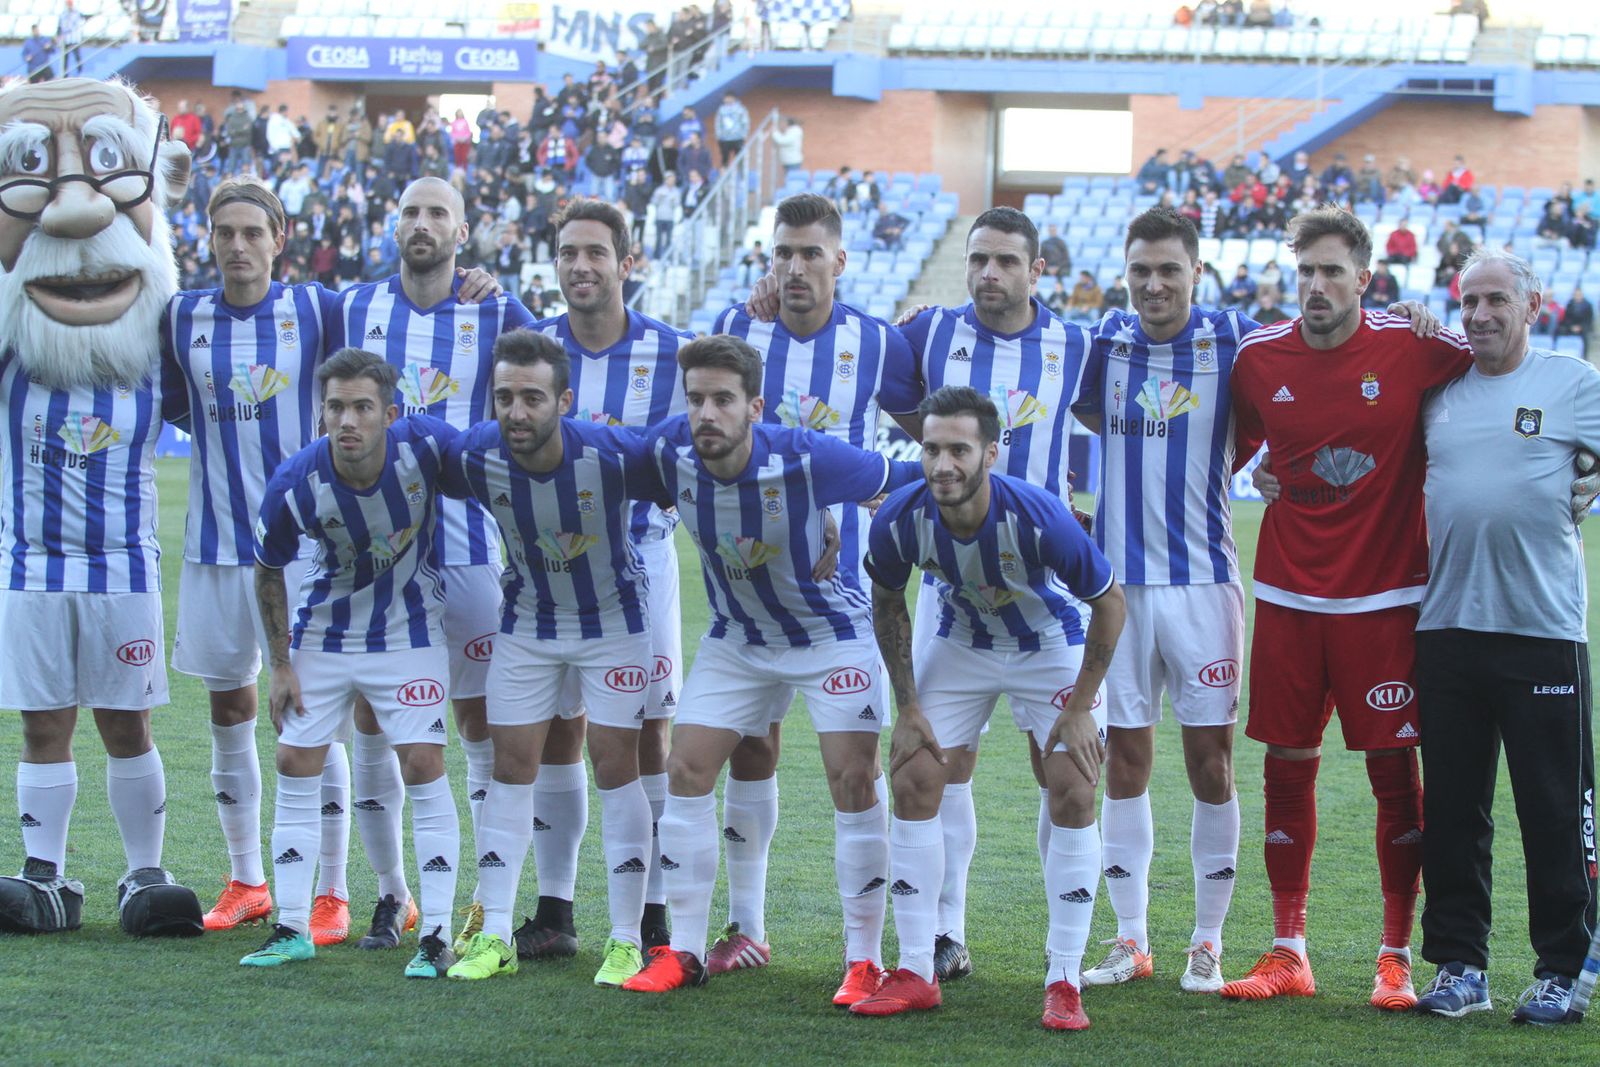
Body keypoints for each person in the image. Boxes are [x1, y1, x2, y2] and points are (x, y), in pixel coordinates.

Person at [620, 335, 923, 1000]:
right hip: (738, 637)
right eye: (696, 397)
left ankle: (864, 958)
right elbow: (594, 468)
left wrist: (848, 517)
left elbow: (908, 479)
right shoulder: (668, 450)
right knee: (686, 768)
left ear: (754, 406)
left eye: (723, 399)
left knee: (853, 776)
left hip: (829, 632)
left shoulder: (808, 457)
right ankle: (688, 951)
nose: (707, 413)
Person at [1224, 206, 1474, 1009]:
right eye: (1305, 272)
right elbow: (1238, 445)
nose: (1316, 287)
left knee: (1394, 776)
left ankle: (1394, 954)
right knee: (1285, 763)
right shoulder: (1259, 358)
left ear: (1366, 279)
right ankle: (1287, 947)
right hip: (1289, 596)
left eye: (1333, 271)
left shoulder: (1415, 344)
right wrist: (1260, 472)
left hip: (1388, 598)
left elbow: (1500, 369)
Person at [0, 77, 202, 939]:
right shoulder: (11, 350)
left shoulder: (161, 348)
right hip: (29, 563)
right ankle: (44, 875)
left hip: (123, 563)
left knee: (128, 720)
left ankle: (142, 874)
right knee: (44, 722)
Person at [855, 385, 1125, 1028]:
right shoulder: (899, 516)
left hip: (1048, 645)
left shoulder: (1039, 516)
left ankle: (1064, 978)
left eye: (959, 449)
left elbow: (1110, 604)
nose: (943, 464)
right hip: (960, 642)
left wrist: (1082, 705)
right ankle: (917, 968)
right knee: (915, 774)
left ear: (991, 454)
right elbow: (889, 603)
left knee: (1073, 786)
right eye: (931, 449)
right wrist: (909, 705)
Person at [709, 193, 922, 977]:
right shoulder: (738, 328)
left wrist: (851, 502)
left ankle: (868, 949)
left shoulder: (878, 342)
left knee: (855, 770)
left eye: (810, 253)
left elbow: (925, 428)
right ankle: (746, 925)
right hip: (752, 594)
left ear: (841, 259)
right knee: (749, 749)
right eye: (783, 253)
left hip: (848, 597)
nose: (795, 267)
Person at [332, 177, 534, 954]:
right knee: (374, 722)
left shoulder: (496, 309)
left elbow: (542, 383)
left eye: (437, 213)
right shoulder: (353, 308)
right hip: (378, 561)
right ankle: (392, 896)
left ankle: (486, 898)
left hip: (473, 548)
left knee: (479, 722)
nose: (422, 223)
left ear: (463, 230)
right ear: (394, 222)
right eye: (410, 210)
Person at [437, 329, 669, 987]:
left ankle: (625, 941)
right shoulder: (478, 455)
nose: (517, 411)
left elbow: (700, 467)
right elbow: (409, 451)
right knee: (511, 768)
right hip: (529, 625)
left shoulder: (614, 456)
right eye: (504, 396)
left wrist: (818, 513)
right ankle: (497, 933)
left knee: (616, 763)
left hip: (614, 625)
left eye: (532, 397)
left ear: (564, 399)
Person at [160, 179, 351, 941]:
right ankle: (247, 880)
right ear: (207, 239)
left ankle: (334, 891)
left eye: (251, 232)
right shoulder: (183, 317)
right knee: (228, 712)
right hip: (213, 548)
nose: (237, 246)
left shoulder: (316, 310)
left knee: (311, 715)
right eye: (223, 232)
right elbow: (178, 404)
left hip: (302, 550)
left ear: (279, 236)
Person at [1412, 248, 1599, 1025]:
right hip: (1447, 628)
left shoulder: (1574, 382)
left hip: (1541, 631)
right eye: (1467, 303)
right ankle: (1462, 966)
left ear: (1533, 304)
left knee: (1554, 808)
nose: (1480, 315)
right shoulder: (1437, 390)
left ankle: (1564, 968)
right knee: (1454, 810)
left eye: (1495, 300)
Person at [1071, 207, 1254, 994]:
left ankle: (1206, 940)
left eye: (1168, 270)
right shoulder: (1100, 343)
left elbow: (1322, 351)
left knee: (1211, 761)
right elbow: (1072, 412)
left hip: (1204, 585)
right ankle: (1131, 936)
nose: (1153, 284)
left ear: (1196, 272)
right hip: (1119, 588)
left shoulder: (1235, 338)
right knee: (1126, 761)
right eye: (1140, 270)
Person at [244, 349, 463, 978]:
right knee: (293, 758)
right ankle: (290, 927)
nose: (348, 420)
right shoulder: (296, 482)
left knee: (423, 763)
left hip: (410, 632)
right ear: (321, 414)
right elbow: (266, 569)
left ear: (390, 413)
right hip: (326, 635)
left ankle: (438, 937)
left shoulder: (424, 448)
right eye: (336, 407)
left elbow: (490, 470)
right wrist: (280, 664)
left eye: (363, 407)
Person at [525, 199, 696, 960]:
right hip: (547, 570)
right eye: (568, 252)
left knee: (645, 732)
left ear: (629, 263)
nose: (581, 266)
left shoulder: (673, 354)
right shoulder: (530, 348)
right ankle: (556, 911)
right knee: (560, 729)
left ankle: (654, 912)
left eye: (596, 252)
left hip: (638, 567)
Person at [714, 91, 749, 168]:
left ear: (733, 98)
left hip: (737, 138)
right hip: (724, 139)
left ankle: (742, 177)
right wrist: (718, 135)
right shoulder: (721, 110)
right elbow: (718, 123)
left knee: (740, 159)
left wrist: (744, 134)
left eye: (727, 98)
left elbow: (745, 122)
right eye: (725, 98)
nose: (726, 99)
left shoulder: (741, 109)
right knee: (724, 159)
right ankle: (725, 177)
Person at [58, 0, 84, 77]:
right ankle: (64, 75)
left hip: (74, 39)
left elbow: (83, 20)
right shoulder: (63, 14)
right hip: (65, 39)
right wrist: (58, 36)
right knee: (65, 59)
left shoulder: (77, 13)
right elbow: (59, 26)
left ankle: (80, 72)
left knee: (77, 56)